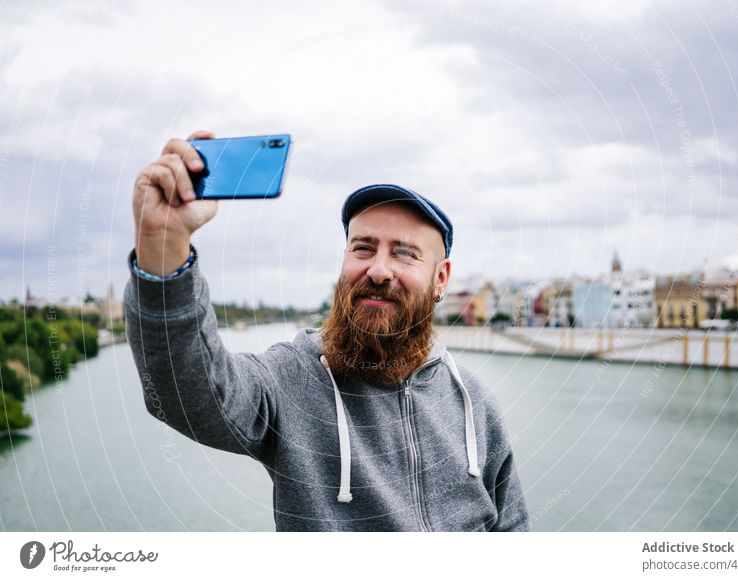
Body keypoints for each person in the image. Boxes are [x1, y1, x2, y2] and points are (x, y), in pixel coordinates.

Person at [124, 130, 529, 531]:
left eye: (404, 253)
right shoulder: (292, 378)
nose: (379, 270)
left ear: (440, 278)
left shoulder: (475, 404)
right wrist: (161, 245)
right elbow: (186, 393)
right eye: (363, 248)